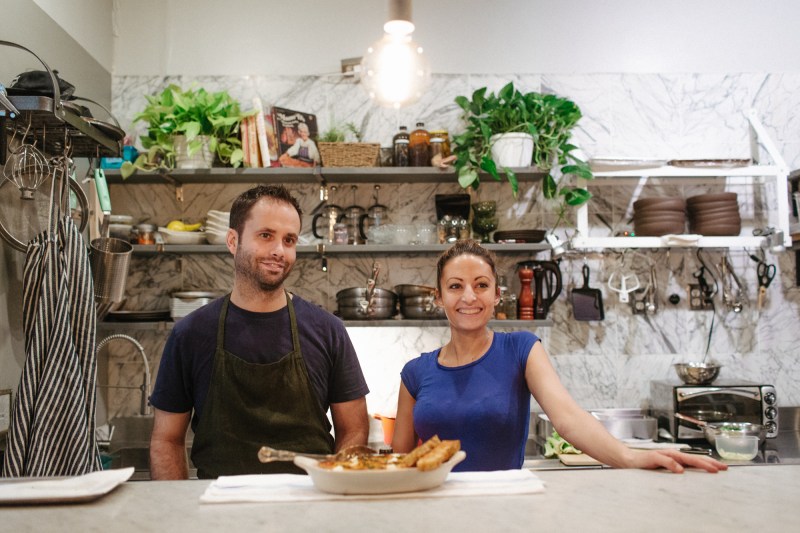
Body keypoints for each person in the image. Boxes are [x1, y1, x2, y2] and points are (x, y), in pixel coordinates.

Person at [393, 240, 728, 474]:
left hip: (505, 511)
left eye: (481, 285)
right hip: (435, 513)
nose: (469, 296)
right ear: (439, 297)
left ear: (497, 295)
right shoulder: (415, 373)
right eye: (455, 286)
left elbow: (567, 418)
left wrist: (630, 456)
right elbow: (399, 461)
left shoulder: (521, 350)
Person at [149, 184, 369, 479]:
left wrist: (336, 488)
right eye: (266, 235)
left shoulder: (328, 330)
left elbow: (354, 430)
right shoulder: (190, 334)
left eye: (289, 240)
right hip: (220, 513)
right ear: (232, 241)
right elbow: (166, 441)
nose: (279, 251)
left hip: (308, 510)